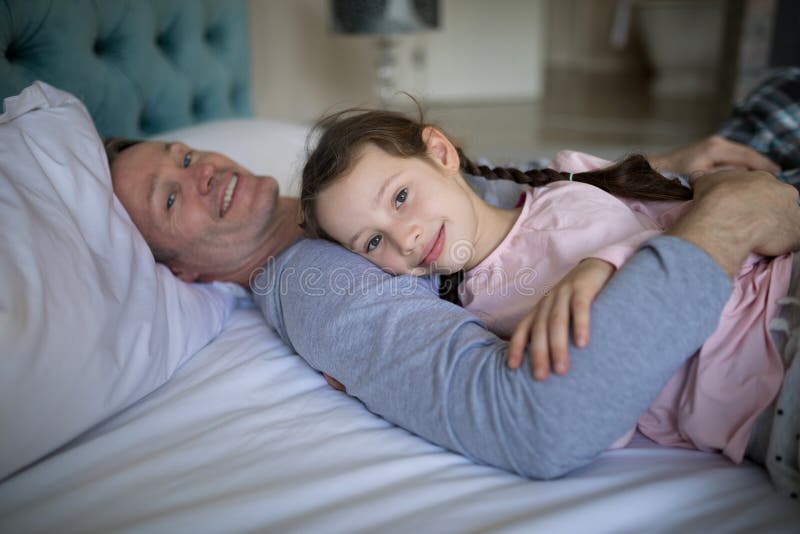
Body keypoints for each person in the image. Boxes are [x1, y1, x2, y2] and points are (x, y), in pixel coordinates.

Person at [105, 86, 799, 490]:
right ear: (181, 270)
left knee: (776, 97)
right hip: (747, 322)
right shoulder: (312, 280)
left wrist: (645, 174)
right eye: (170, 201)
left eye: (185, 154)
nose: (198, 173)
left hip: (730, 250)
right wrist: (721, 222)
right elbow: (538, 420)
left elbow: (485, 204)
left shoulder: (338, 213)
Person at [295, 107, 795, 490]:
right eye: (373, 243)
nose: (405, 238)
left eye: (400, 197)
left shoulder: (569, 179)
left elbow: (707, 220)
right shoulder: (481, 315)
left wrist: (603, 264)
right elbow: (604, 411)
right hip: (761, 394)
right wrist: (375, 381)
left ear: (441, 153)